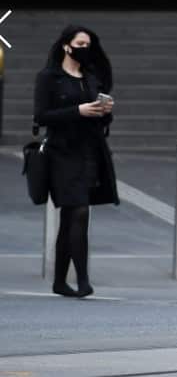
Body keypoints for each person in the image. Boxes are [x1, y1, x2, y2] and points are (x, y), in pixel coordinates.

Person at [34, 25, 118, 298]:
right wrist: (78, 111)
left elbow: (102, 120)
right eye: (80, 44)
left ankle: (60, 281)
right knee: (79, 211)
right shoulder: (49, 77)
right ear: (66, 46)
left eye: (88, 45)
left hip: (89, 152)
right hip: (61, 153)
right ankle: (82, 279)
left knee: (72, 216)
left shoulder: (91, 78)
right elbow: (42, 116)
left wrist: (104, 111)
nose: (85, 49)